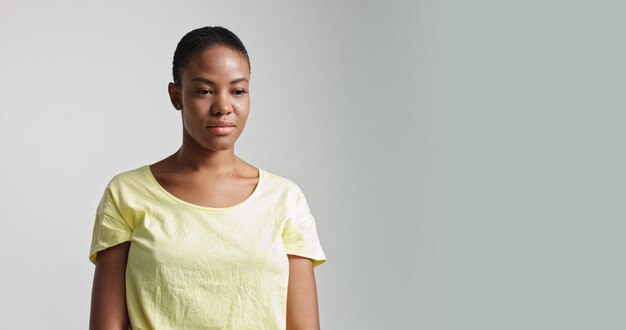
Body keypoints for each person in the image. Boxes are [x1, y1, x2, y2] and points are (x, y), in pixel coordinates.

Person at [88, 26, 327, 330]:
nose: (223, 107)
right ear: (177, 96)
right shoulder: (127, 194)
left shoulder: (285, 200)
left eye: (238, 91)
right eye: (204, 91)